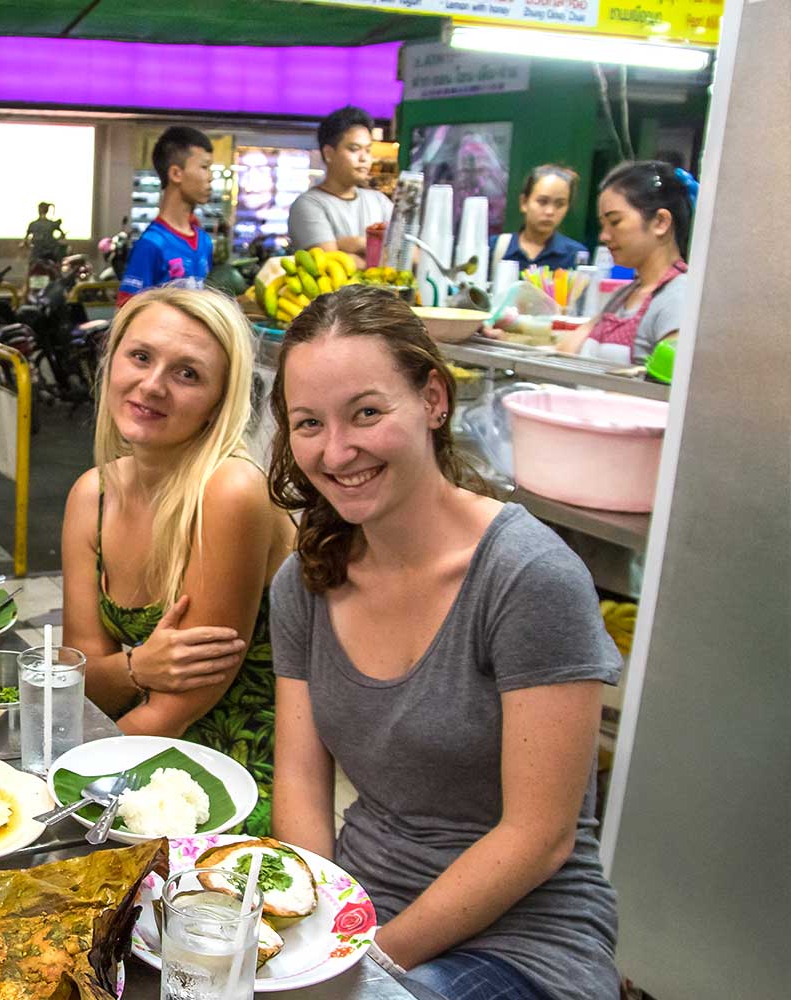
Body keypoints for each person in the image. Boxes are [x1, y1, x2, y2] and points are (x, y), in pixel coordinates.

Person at [267, 284, 621, 1000]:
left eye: (366, 412)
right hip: (361, 906)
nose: (337, 451)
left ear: (432, 399)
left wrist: (364, 963)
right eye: (309, 423)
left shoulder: (528, 578)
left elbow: (539, 837)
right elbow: (302, 779)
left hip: (523, 943)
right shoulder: (306, 577)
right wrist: (308, 935)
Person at [62, 286, 296, 834]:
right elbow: (81, 679)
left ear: (219, 401)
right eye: (140, 357)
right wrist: (135, 667)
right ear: (112, 359)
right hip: (131, 745)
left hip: (228, 777)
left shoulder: (231, 491)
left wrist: (62, 784)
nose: (152, 385)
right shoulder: (90, 495)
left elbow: (181, 703)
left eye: (187, 374)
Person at [553, 160, 692, 365]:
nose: (604, 236)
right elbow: (564, 352)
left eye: (615, 222)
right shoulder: (623, 296)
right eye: (603, 224)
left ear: (661, 222)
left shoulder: (680, 299)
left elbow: (661, 391)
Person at [117, 127, 215, 305]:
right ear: (176, 173)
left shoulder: (204, 241)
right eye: (204, 167)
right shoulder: (152, 244)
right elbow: (125, 314)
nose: (210, 177)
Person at [286, 106, 392, 260]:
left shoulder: (379, 201)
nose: (364, 158)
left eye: (368, 150)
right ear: (329, 153)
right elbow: (330, 265)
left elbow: (411, 254)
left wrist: (357, 244)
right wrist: (379, 252)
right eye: (354, 149)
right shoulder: (308, 205)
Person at [488, 165, 588, 272]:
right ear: (524, 202)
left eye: (559, 204)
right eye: (542, 202)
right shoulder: (496, 247)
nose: (550, 212)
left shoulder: (575, 255)